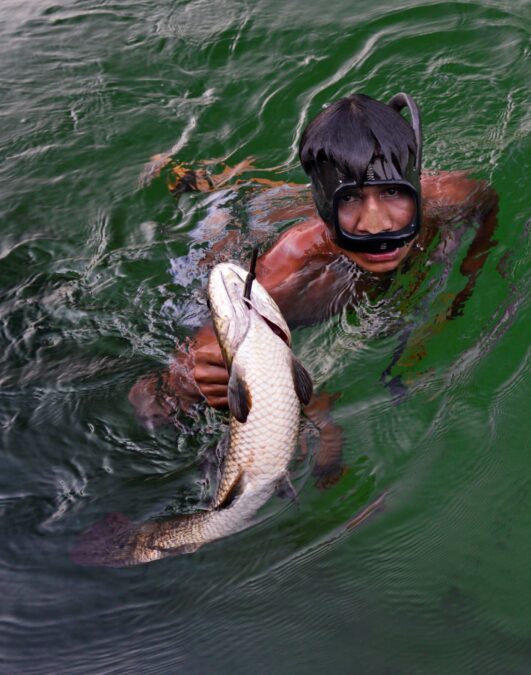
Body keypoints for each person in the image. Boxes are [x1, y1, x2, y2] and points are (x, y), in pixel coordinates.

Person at [129, 92, 500, 484]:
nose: (376, 225)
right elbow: (165, 383)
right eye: (351, 200)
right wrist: (195, 377)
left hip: (291, 206)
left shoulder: (451, 195)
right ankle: (196, 180)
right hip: (229, 233)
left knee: (280, 196)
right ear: (325, 205)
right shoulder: (290, 274)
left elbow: (486, 205)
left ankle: (223, 179)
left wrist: (465, 280)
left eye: (392, 192)